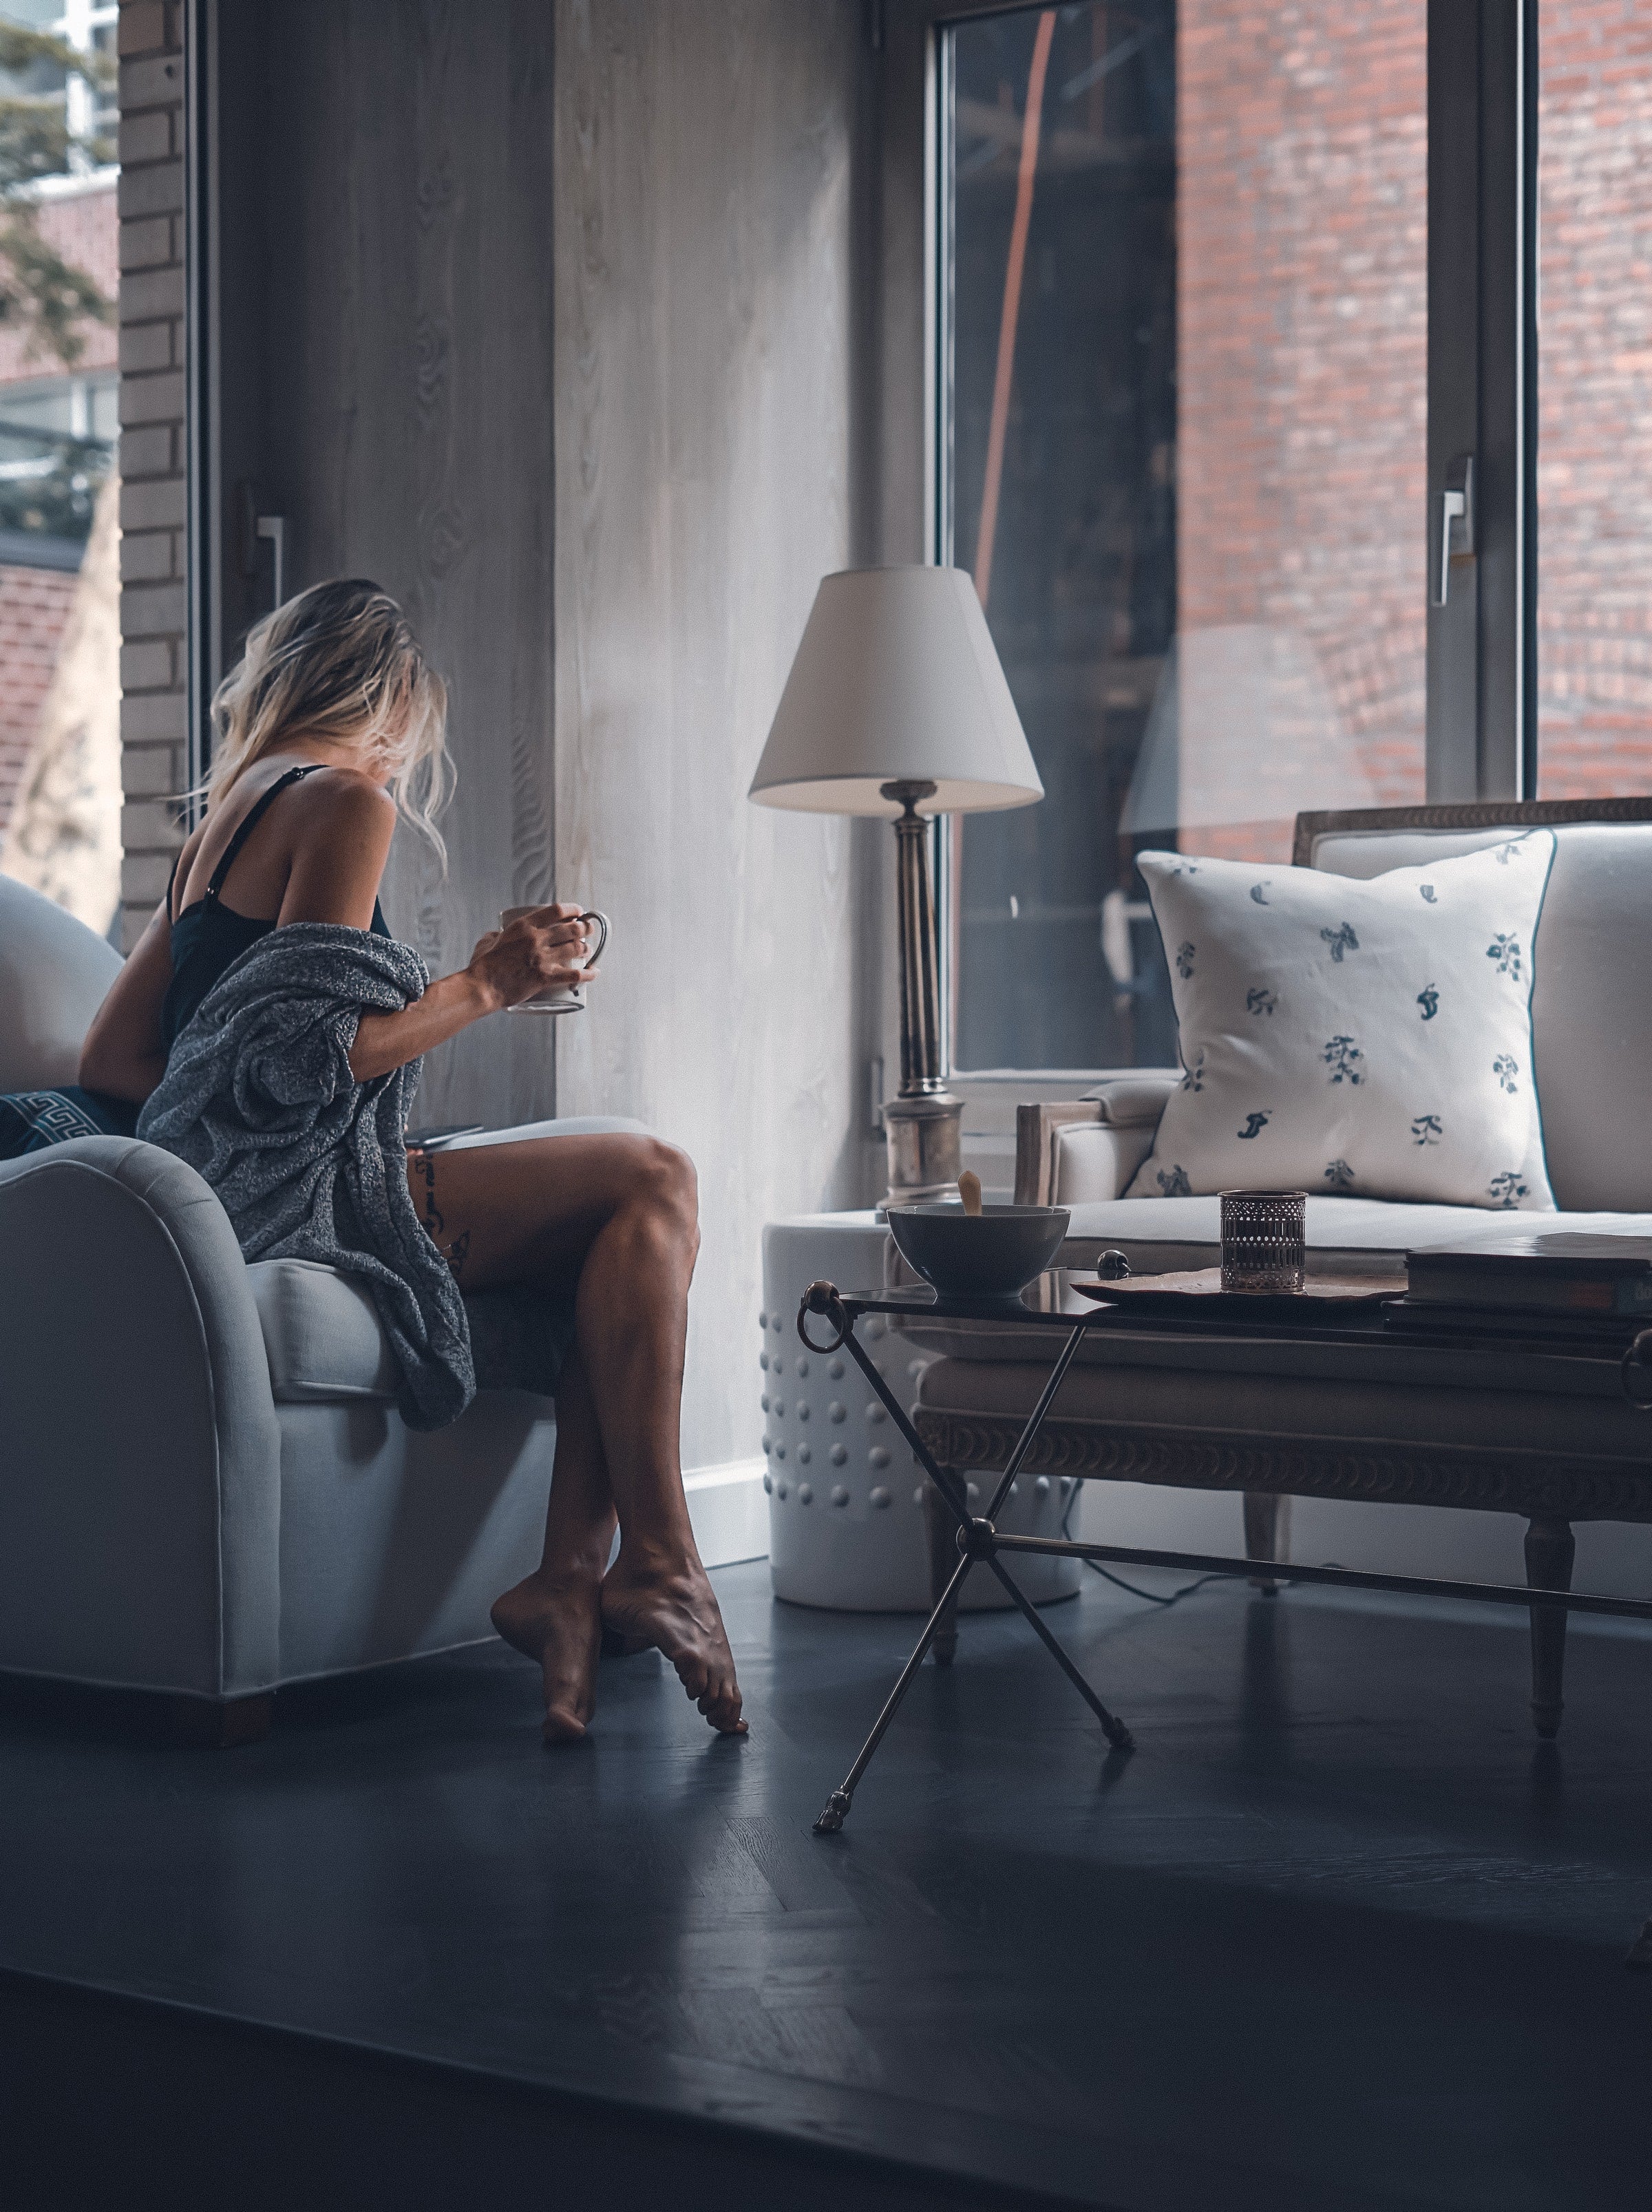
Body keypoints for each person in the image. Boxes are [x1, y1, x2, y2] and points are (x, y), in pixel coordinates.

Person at [77, 577, 745, 1744]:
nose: (400, 767)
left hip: (229, 1188)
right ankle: (662, 1564)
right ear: (386, 706)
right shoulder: (342, 799)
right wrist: (489, 985)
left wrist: (226, 1107)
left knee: (616, 1235)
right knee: (656, 1179)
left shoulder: (214, 833)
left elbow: (120, 1057)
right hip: (293, 1199)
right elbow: (312, 1055)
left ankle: (575, 1590)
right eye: (408, 741)